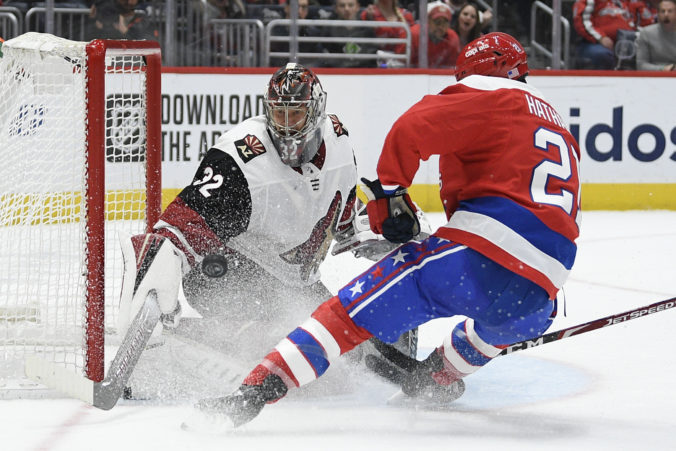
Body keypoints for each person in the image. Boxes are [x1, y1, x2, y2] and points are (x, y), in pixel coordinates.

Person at [185, 32, 581, 429]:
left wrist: (389, 194)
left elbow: (412, 127)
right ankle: (437, 377)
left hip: (471, 263)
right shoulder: (556, 121)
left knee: (345, 316)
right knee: (494, 329)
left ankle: (254, 390)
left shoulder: (486, 91)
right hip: (544, 290)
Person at [117, 64, 362, 392]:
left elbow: (345, 211)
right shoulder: (239, 160)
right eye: (279, 114)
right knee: (277, 340)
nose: (286, 127)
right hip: (222, 269)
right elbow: (179, 226)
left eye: (296, 115)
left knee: (350, 350)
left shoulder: (340, 139)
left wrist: (369, 230)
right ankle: (228, 335)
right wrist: (158, 261)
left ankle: (228, 333)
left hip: (292, 279)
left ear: (317, 112)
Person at [572, 0, 649, 70]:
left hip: (626, 42)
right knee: (601, 55)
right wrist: (601, 38)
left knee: (646, 53)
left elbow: (641, 22)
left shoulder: (631, 2)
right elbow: (581, 21)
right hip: (594, 43)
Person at [320, 0, 378, 68]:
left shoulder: (367, 30)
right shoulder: (328, 30)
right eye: (342, 6)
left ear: (358, 7)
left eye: (350, 5)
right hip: (336, 72)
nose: (346, 9)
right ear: (336, 8)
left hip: (363, 71)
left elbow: (371, 57)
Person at [268, 0, 322, 66]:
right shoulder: (273, 31)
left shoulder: (313, 34)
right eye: (296, 6)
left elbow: (318, 60)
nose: (299, 11)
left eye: (304, 7)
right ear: (286, 8)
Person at [410, 1, 460, 68]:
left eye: (444, 23)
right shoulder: (414, 34)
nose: (440, 27)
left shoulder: (453, 38)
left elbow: (451, 68)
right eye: (437, 22)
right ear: (428, 21)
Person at [86, 0, 158, 41]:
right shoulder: (103, 18)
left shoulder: (142, 21)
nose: (128, 1)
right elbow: (88, 41)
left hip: (130, 63)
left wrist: (125, 31)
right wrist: (92, 21)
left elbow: (147, 47)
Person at [636, 0, 676, 70]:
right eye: (663, 11)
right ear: (657, 14)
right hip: (653, 77)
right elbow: (641, 65)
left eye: (670, 11)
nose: (666, 14)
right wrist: (663, 69)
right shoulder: (646, 33)